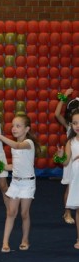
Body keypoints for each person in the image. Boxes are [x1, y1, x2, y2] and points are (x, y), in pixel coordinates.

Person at [0, 115, 40, 253]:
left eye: (18, 126)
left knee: (24, 213)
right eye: (13, 125)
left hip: (28, 184)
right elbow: (15, 166)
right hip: (16, 183)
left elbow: (18, 145)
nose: (14, 128)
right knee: (11, 212)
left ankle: (25, 239)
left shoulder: (28, 143)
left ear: (27, 129)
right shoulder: (13, 146)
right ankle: (5, 242)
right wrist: (0, 165)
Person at [56, 109, 79, 249]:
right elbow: (65, 162)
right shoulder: (70, 142)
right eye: (75, 123)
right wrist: (60, 156)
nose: (77, 125)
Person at [55, 88, 78, 224]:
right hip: (70, 162)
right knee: (70, 186)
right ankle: (67, 212)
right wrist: (64, 97)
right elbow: (57, 114)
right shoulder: (69, 127)